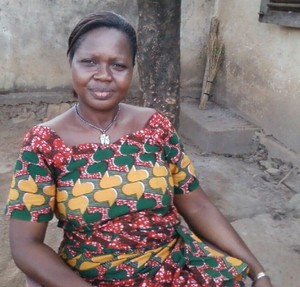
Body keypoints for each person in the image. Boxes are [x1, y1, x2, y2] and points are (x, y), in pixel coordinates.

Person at [5, 11, 273, 287]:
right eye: (89, 62)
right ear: (71, 63)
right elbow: (26, 245)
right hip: (94, 278)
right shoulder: (44, 143)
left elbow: (198, 206)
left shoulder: (153, 126)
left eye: (118, 65)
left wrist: (258, 272)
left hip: (175, 270)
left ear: (132, 69)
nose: (104, 75)